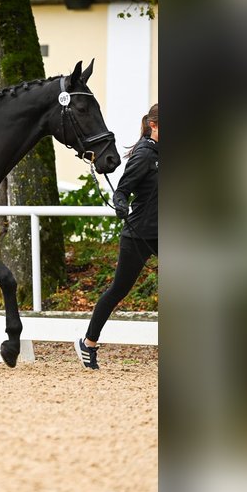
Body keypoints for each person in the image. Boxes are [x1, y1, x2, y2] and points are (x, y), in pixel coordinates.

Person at [76, 103, 158, 370]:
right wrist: (121, 204)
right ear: (154, 125)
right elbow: (122, 191)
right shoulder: (144, 155)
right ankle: (88, 343)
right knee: (118, 290)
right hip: (139, 234)